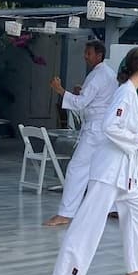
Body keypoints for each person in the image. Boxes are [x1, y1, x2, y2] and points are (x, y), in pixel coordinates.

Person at [48, 47, 138, 275]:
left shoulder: (130, 94)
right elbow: (110, 127)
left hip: (124, 174)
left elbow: (134, 128)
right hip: (109, 171)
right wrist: (137, 139)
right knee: (88, 223)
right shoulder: (124, 93)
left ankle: (134, 266)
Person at [43, 40, 118, 227]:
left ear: (99, 55)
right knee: (103, 169)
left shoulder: (98, 75)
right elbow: (94, 99)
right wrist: (81, 93)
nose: (85, 56)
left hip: (95, 131)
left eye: (89, 53)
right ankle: (113, 207)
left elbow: (80, 104)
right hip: (105, 129)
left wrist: (60, 90)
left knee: (77, 169)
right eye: (85, 53)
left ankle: (66, 213)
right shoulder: (108, 74)